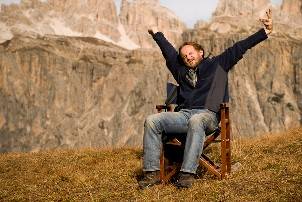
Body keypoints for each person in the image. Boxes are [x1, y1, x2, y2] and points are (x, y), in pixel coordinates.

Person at [138, 9, 273, 189]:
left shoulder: (217, 64)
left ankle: (187, 174)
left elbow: (239, 47)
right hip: (183, 115)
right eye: (184, 56)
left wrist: (265, 32)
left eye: (191, 53)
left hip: (207, 116)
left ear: (200, 52)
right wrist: (155, 32)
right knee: (152, 121)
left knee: (196, 120)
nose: (188, 57)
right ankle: (152, 173)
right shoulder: (180, 71)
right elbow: (168, 51)